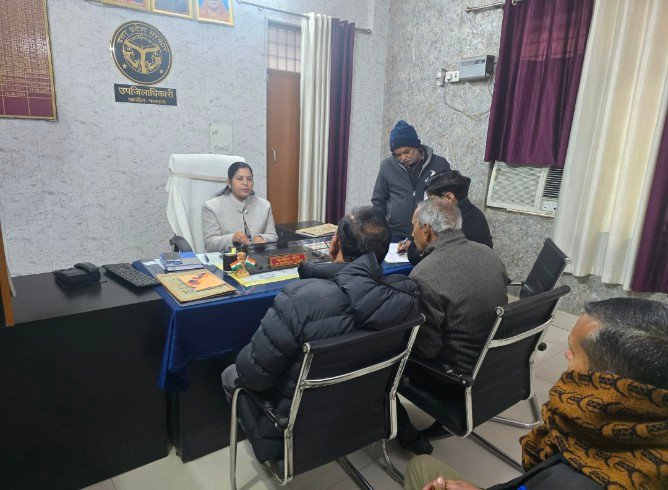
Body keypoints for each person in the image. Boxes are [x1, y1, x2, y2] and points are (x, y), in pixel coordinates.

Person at [221, 206, 420, 462]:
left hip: (296, 430)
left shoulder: (298, 299)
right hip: (365, 416)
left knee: (231, 373)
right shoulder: (405, 298)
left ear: (335, 244)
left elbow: (254, 375)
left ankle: (270, 447)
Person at [404, 297, 668, 490]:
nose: (566, 356)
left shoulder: (573, 481)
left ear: (607, 384)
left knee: (421, 466)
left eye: (575, 352)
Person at [397, 199, 508, 455]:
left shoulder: (424, 275)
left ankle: (403, 431)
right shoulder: (489, 254)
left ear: (427, 230)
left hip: (454, 376)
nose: (411, 233)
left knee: (381, 359)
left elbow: (425, 350)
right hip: (495, 363)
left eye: (413, 226)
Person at [372, 120, 451, 241]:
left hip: (428, 233)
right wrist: (380, 229)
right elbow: (379, 200)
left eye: (407, 152)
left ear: (417, 146)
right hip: (395, 233)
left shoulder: (439, 164)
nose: (403, 157)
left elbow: (449, 199)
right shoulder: (387, 166)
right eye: (398, 155)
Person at [398, 170, 493, 265]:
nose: (429, 205)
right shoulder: (475, 212)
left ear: (449, 198)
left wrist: (415, 244)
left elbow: (418, 258)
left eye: (432, 200)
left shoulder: (450, 222)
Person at [201, 161, 277, 252]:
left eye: (249, 179)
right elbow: (209, 244)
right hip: (227, 258)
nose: (245, 183)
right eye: (240, 179)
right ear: (229, 183)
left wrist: (262, 238)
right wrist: (233, 238)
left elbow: (273, 236)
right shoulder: (211, 207)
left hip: (258, 257)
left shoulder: (264, 205)